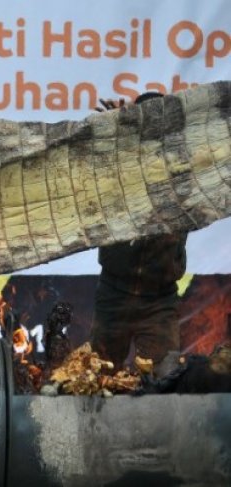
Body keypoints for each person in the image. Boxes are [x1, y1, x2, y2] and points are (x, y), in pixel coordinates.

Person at [90, 91, 187, 372]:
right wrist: (114, 135)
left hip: (160, 301)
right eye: (148, 122)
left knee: (165, 381)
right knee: (97, 379)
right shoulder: (116, 164)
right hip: (113, 295)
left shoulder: (184, 166)